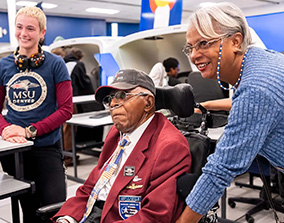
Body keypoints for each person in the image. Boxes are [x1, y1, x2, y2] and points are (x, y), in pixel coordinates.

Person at [176, 2, 284, 223]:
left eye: (203, 43)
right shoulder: (261, 61)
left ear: (235, 41)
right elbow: (242, 102)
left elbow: (220, 169)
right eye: (190, 48)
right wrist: (207, 105)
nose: (194, 55)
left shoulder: (255, 88)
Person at [52, 68, 191, 223]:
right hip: (92, 212)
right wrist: (67, 218)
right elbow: (91, 186)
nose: (113, 103)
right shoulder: (117, 134)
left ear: (148, 102)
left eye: (122, 95)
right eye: (110, 99)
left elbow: (154, 216)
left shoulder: (169, 146)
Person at [0, 6, 73, 222]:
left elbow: (66, 110)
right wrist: (5, 129)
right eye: (19, 27)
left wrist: (29, 131)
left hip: (46, 147)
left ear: (42, 33)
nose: (23, 33)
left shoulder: (56, 64)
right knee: (29, 211)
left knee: (54, 210)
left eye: (30, 28)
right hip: (15, 152)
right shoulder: (3, 66)